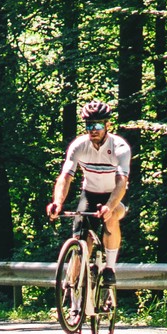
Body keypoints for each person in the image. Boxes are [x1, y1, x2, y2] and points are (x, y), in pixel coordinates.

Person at [44, 100, 130, 287]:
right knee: (81, 242)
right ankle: (74, 299)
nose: (93, 130)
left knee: (112, 217)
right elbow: (65, 177)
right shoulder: (79, 146)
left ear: (108, 125)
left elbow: (122, 182)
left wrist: (109, 206)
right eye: (89, 125)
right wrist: (57, 203)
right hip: (89, 195)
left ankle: (109, 268)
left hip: (113, 195)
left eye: (98, 125)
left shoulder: (120, 147)